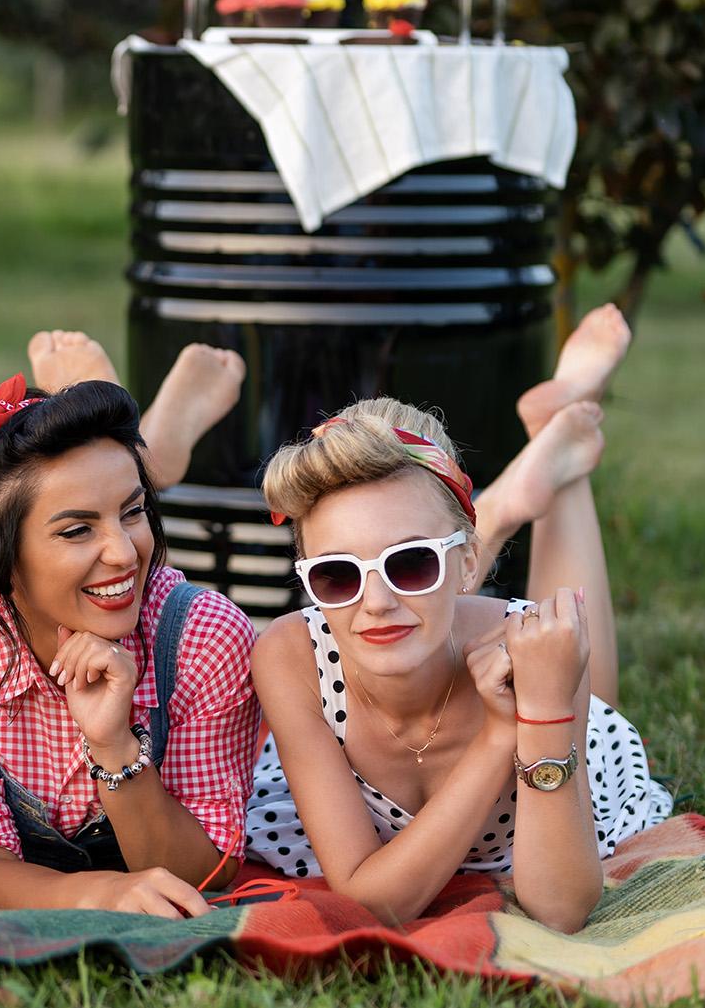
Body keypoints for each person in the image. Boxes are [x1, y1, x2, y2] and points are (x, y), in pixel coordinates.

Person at [243, 306, 671, 932]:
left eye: (412, 564)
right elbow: (372, 901)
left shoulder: (524, 650)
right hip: (488, 676)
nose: (376, 601)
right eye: (336, 574)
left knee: (573, 662)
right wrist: (501, 736)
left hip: (556, 731)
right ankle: (551, 445)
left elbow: (561, 907)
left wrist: (547, 714)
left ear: (469, 562)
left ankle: (561, 456)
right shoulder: (290, 656)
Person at [0, 366, 261, 916]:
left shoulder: (204, 636)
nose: (125, 552)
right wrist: (100, 893)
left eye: (133, 512)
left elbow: (207, 874)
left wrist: (114, 743)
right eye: (76, 529)